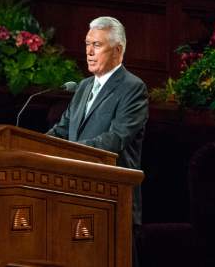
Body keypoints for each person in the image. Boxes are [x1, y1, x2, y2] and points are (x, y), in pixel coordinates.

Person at [47, 16, 148, 267]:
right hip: (71, 193)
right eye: (87, 44)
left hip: (111, 200)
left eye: (97, 45)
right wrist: (32, 145)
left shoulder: (133, 88)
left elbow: (115, 139)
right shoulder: (82, 87)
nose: (89, 53)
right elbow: (61, 131)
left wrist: (70, 151)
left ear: (118, 50)